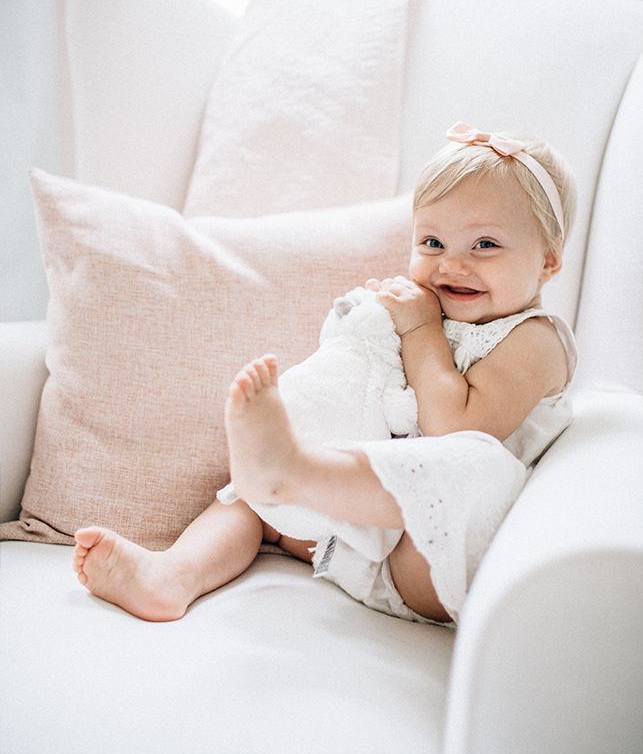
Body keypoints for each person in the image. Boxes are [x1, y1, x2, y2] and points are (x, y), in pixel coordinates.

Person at [73, 122, 578, 625]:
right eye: (432, 241)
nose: (453, 264)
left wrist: (420, 330)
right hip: (349, 544)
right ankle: (171, 577)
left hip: (433, 557)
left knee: (473, 466)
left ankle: (294, 472)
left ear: (549, 262)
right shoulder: (421, 311)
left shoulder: (534, 339)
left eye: (485, 245)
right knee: (253, 501)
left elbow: (457, 429)